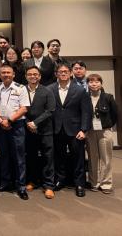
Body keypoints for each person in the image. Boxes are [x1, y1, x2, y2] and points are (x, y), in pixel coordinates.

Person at [48, 63, 92, 197]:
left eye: (66, 71)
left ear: (70, 73)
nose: (63, 73)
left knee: (78, 157)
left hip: (75, 130)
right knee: (59, 156)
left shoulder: (80, 90)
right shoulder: (49, 89)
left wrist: (84, 130)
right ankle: (60, 180)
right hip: (56, 129)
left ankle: (79, 183)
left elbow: (86, 112)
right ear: (56, 74)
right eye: (60, 71)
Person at [0, 63, 30, 200]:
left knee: (19, 157)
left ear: (13, 74)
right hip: (0, 125)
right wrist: (1, 121)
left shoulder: (21, 88)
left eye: (8, 72)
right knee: (4, 155)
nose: (6, 74)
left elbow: (24, 108)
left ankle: (21, 187)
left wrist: (9, 120)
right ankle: (5, 183)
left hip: (16, 125)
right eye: (3, 72)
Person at [24, 65, 56, 199]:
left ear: (40, 76)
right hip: (28, 130)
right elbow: (18, 108)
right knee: (31, 157)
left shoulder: (47, 91)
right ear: (26, 76)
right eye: (30, 74)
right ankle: (33, 181)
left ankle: (48, 186)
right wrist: (28, 123)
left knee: (48, 158)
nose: (33, 76)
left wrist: (35, 123)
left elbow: (50, 110)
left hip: (45, 130)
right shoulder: (21, 90)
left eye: (35, 74)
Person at [85, 73, 117, 194]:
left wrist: (109, 126)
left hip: (105, 131)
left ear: (101, 83)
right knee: (92, 158)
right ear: (87, 84)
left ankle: (106, 183)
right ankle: (94, 182)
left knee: (106, 158)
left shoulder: (108, 97)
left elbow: (115, 114)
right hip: (90, 131)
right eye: (91, 82)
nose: (94, 84)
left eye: (97, 82)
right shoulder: (85, 97)